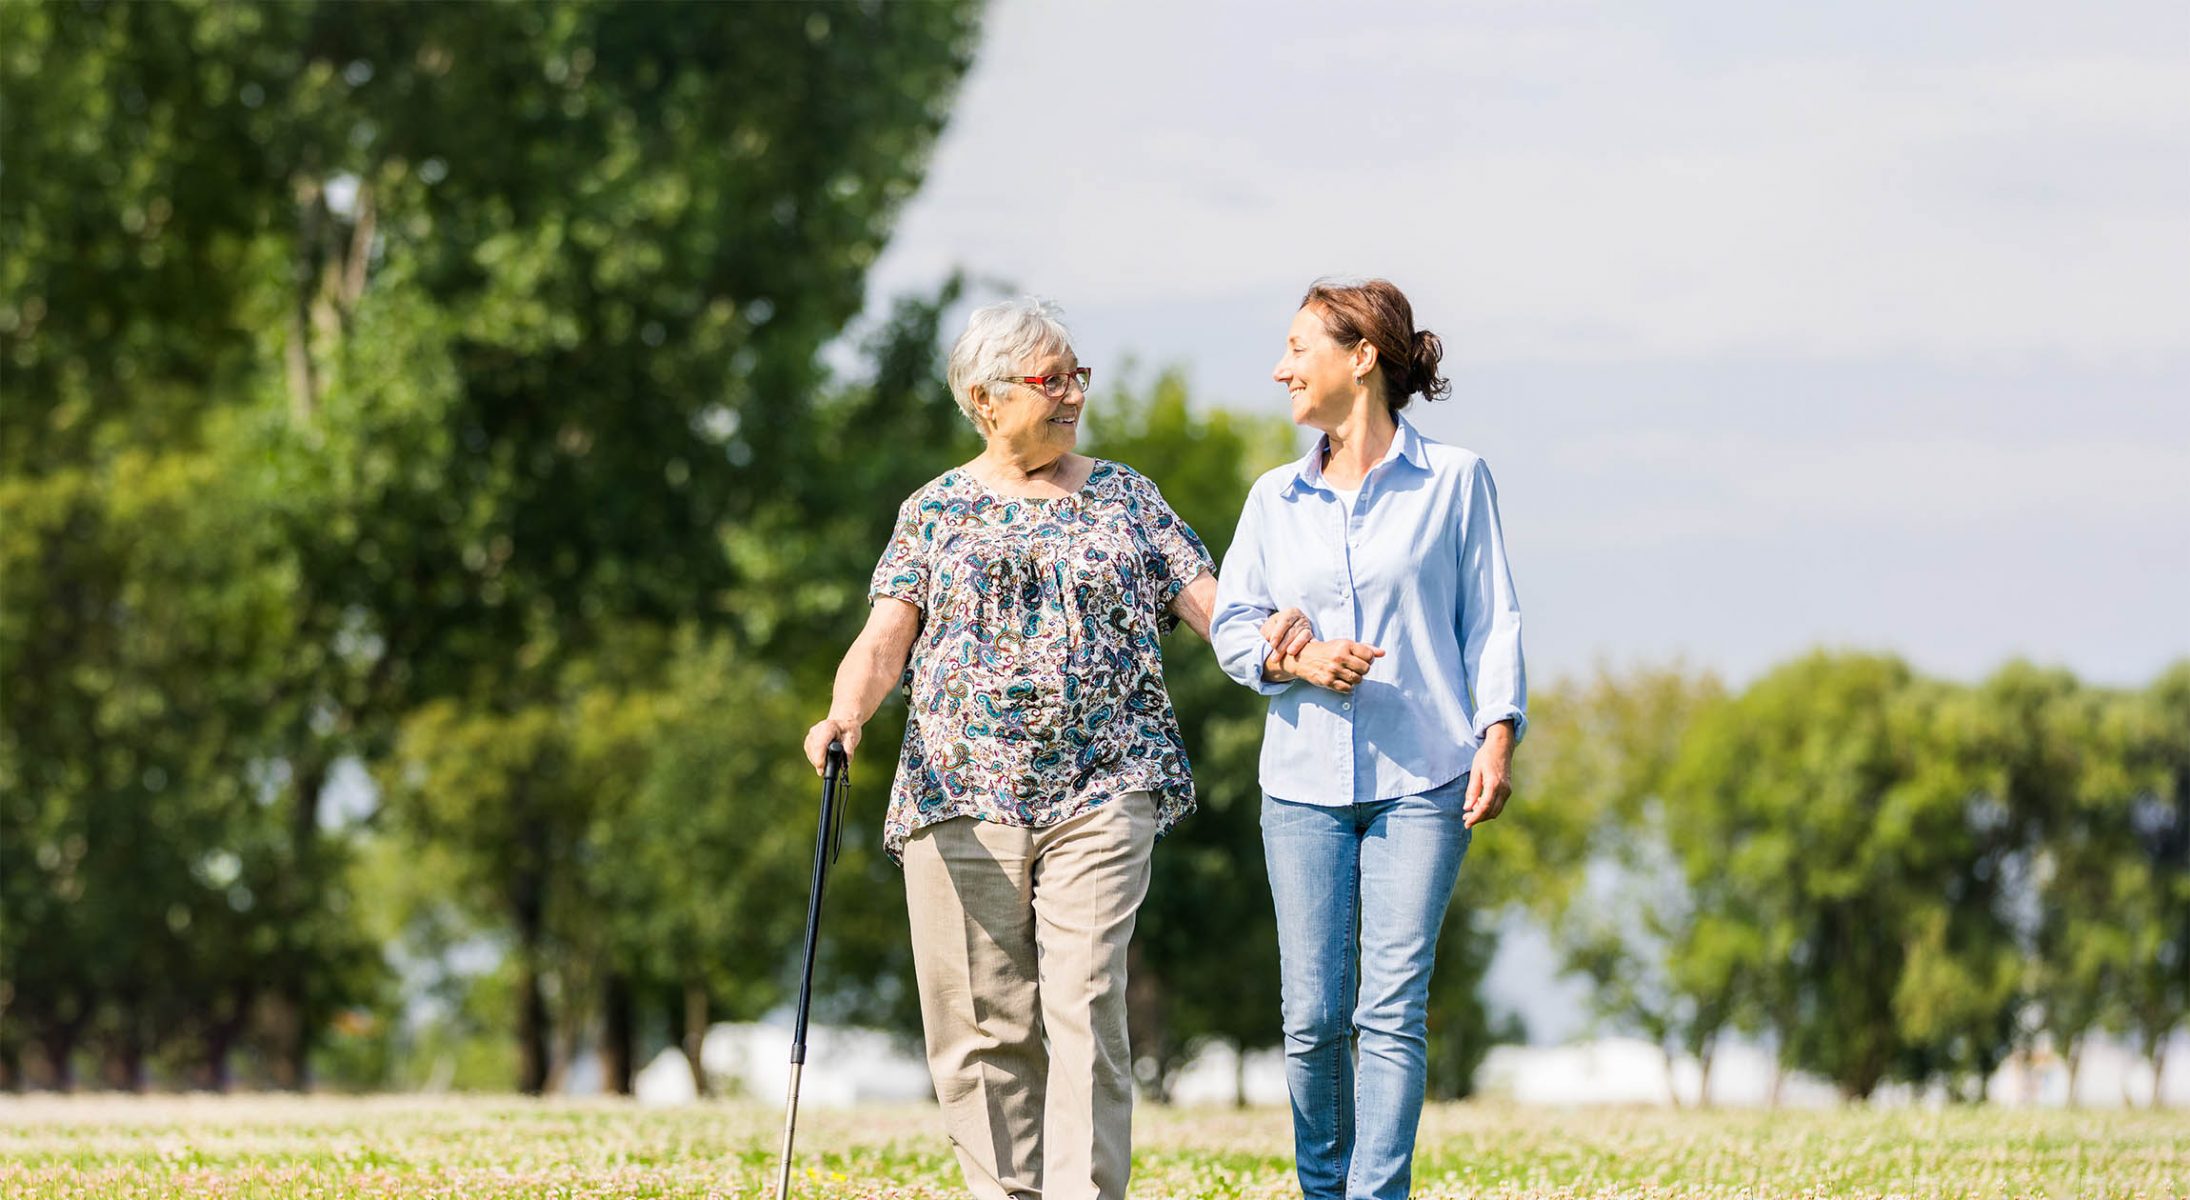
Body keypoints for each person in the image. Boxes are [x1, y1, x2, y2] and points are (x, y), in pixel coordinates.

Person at [803, 296, 1218, 1200]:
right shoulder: (935, 508)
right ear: (985, 399)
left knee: (1083, 1006)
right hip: (961, 789)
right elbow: (885, 637)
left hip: (1106, 780)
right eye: (1050, 379)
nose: (1072, 393)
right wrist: (845, 713)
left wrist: (1289, 647)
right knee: (980, 1028)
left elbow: (1213, 607)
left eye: (1078, 374)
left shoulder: (1125, 495)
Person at [1211, 278, 1526, 1200]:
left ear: (1362, 358)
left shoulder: (1458, 481)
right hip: (1301, 786)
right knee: (1312, 1017)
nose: (1281, 369)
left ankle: (1375, 1194)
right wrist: (1294, 661)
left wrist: (1497, 733)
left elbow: (1493, 619)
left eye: (1299, 348)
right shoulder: (1274, 499)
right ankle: (1324, 1189)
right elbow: (1234, 625)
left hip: (1423, 777)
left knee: (1391, 1010)